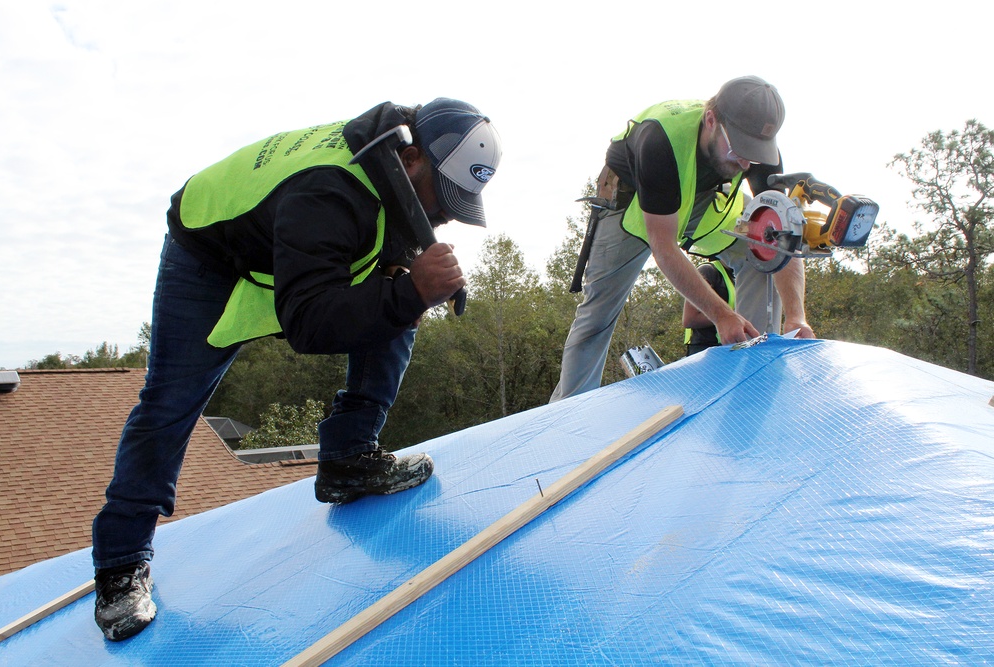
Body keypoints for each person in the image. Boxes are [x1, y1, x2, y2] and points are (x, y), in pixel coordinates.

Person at [90, 98, 502, 641]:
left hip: (287, 241)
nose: (447, 215)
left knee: (399, 302)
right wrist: (412, 288)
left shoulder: (394, 171)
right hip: (210, 251)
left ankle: (350, 458)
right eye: (444, 198)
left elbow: (377, 292)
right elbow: (308, 324)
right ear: (412, 159)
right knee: (169, 400)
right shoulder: (330, 192)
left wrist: (406, 288)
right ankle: (119, 565)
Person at [552, 75, 815, 402]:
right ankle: (568, 410)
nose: (747, 162)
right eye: (739, 150)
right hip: (628, 200)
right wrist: (722, 315)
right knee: (598, 314)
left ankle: (752, 381)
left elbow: (781, 237)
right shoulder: (660, 141)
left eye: (755, 153)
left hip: (705, 200)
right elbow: (664, 247)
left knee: (759, 247)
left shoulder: (759, 154)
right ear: (711, 120)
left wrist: (796, 315)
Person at [683, 259, 735, 356]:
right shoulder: (707, 271)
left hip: (726, 349)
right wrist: (729, 315)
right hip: (704, 352)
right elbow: (689, 319)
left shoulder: (736, 274)